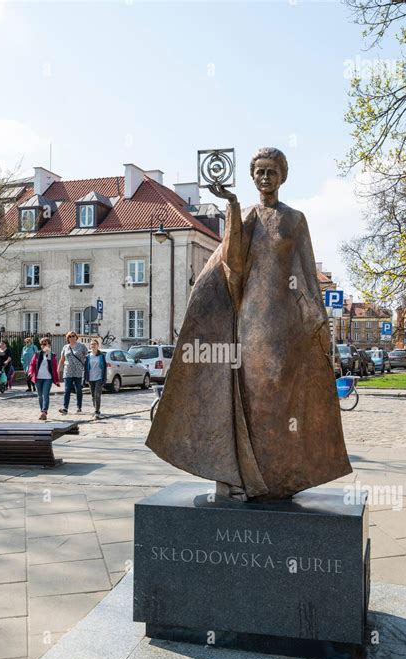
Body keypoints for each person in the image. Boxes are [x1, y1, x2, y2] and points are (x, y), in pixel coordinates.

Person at [146, 147, 351, 501]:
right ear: (253, 176)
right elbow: (233, 264)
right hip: (249, 318)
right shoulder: (249, 217)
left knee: (278, 398)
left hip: (282, 323)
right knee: (250, 394)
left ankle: (278, 476)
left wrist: (316, 315)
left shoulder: (295, 220)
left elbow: (305, 271)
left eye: (272, 171)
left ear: (282, 176)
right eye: (259, 171)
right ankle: (241, 475)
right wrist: (233, 206)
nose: (266, 178)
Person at [28, 337, 60, 420]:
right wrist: (30, 372)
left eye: (45, 344)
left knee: (45, 395)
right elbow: (32, 364)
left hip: (47, 378)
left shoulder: (52, 355)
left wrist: (56, 380)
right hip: (38, 378)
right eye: (42, 344)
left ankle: (44, 412)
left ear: (49, 345)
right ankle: (42, 411)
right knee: (40, 396)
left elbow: (54, 368)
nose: (43, 345)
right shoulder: (37, 354)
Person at [58, 331, 88, 415]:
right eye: (70, 336)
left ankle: (79, 407)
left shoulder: (81, 346)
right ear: (68, 338)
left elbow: (87, 357)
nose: (72, 337)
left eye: (73, 336)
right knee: (67, 390)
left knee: (78, 390)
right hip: (68, 371)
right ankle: (65, 408)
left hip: (78, 371)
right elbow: (62, 359)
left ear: (76, 337)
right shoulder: (65, 347)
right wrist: (58, 370)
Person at [84, 339, 107, 419]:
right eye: (91, 344)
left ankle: (97, 411)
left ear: (98, 345)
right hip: (91, 377)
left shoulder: (101, 356)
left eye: (94, 344)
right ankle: (96, 408)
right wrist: (85, 378)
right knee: (93, 395)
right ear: (90, 346)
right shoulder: (88, 356)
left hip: (99, 377)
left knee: (97, 394)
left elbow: (104, 368)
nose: (93, 346)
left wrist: (104, 378)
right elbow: (86, 368)